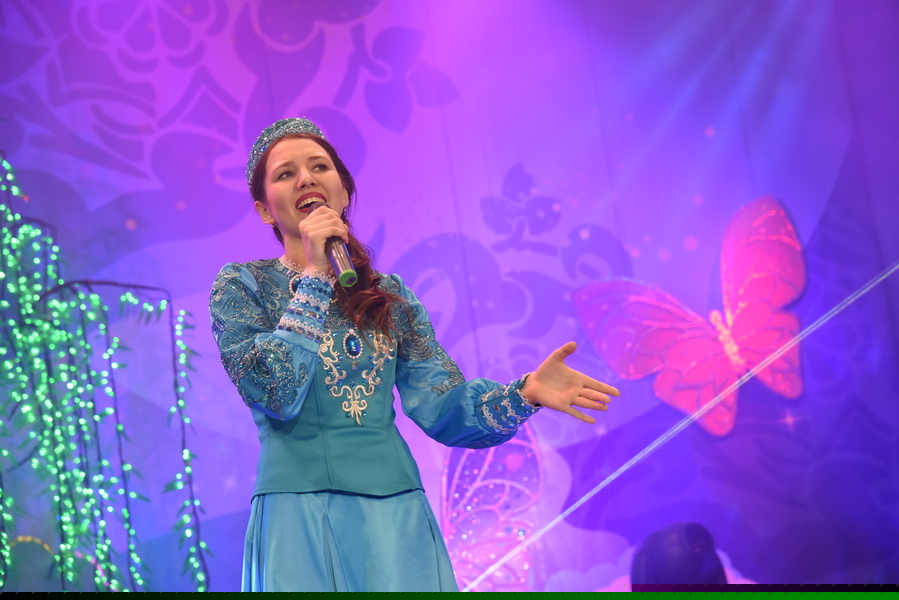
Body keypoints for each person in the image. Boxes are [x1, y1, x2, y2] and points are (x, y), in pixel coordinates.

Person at [209, 117, 621, 592]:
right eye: (286, 173)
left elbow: (442, 406)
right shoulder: (242, 285)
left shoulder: (389, 296)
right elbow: (274, 391)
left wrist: (524, 393)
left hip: (394, 516)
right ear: (264, 210)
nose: (305, 179)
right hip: (296, 514)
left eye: (319, 167)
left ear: (343, 191)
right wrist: (317, 276)